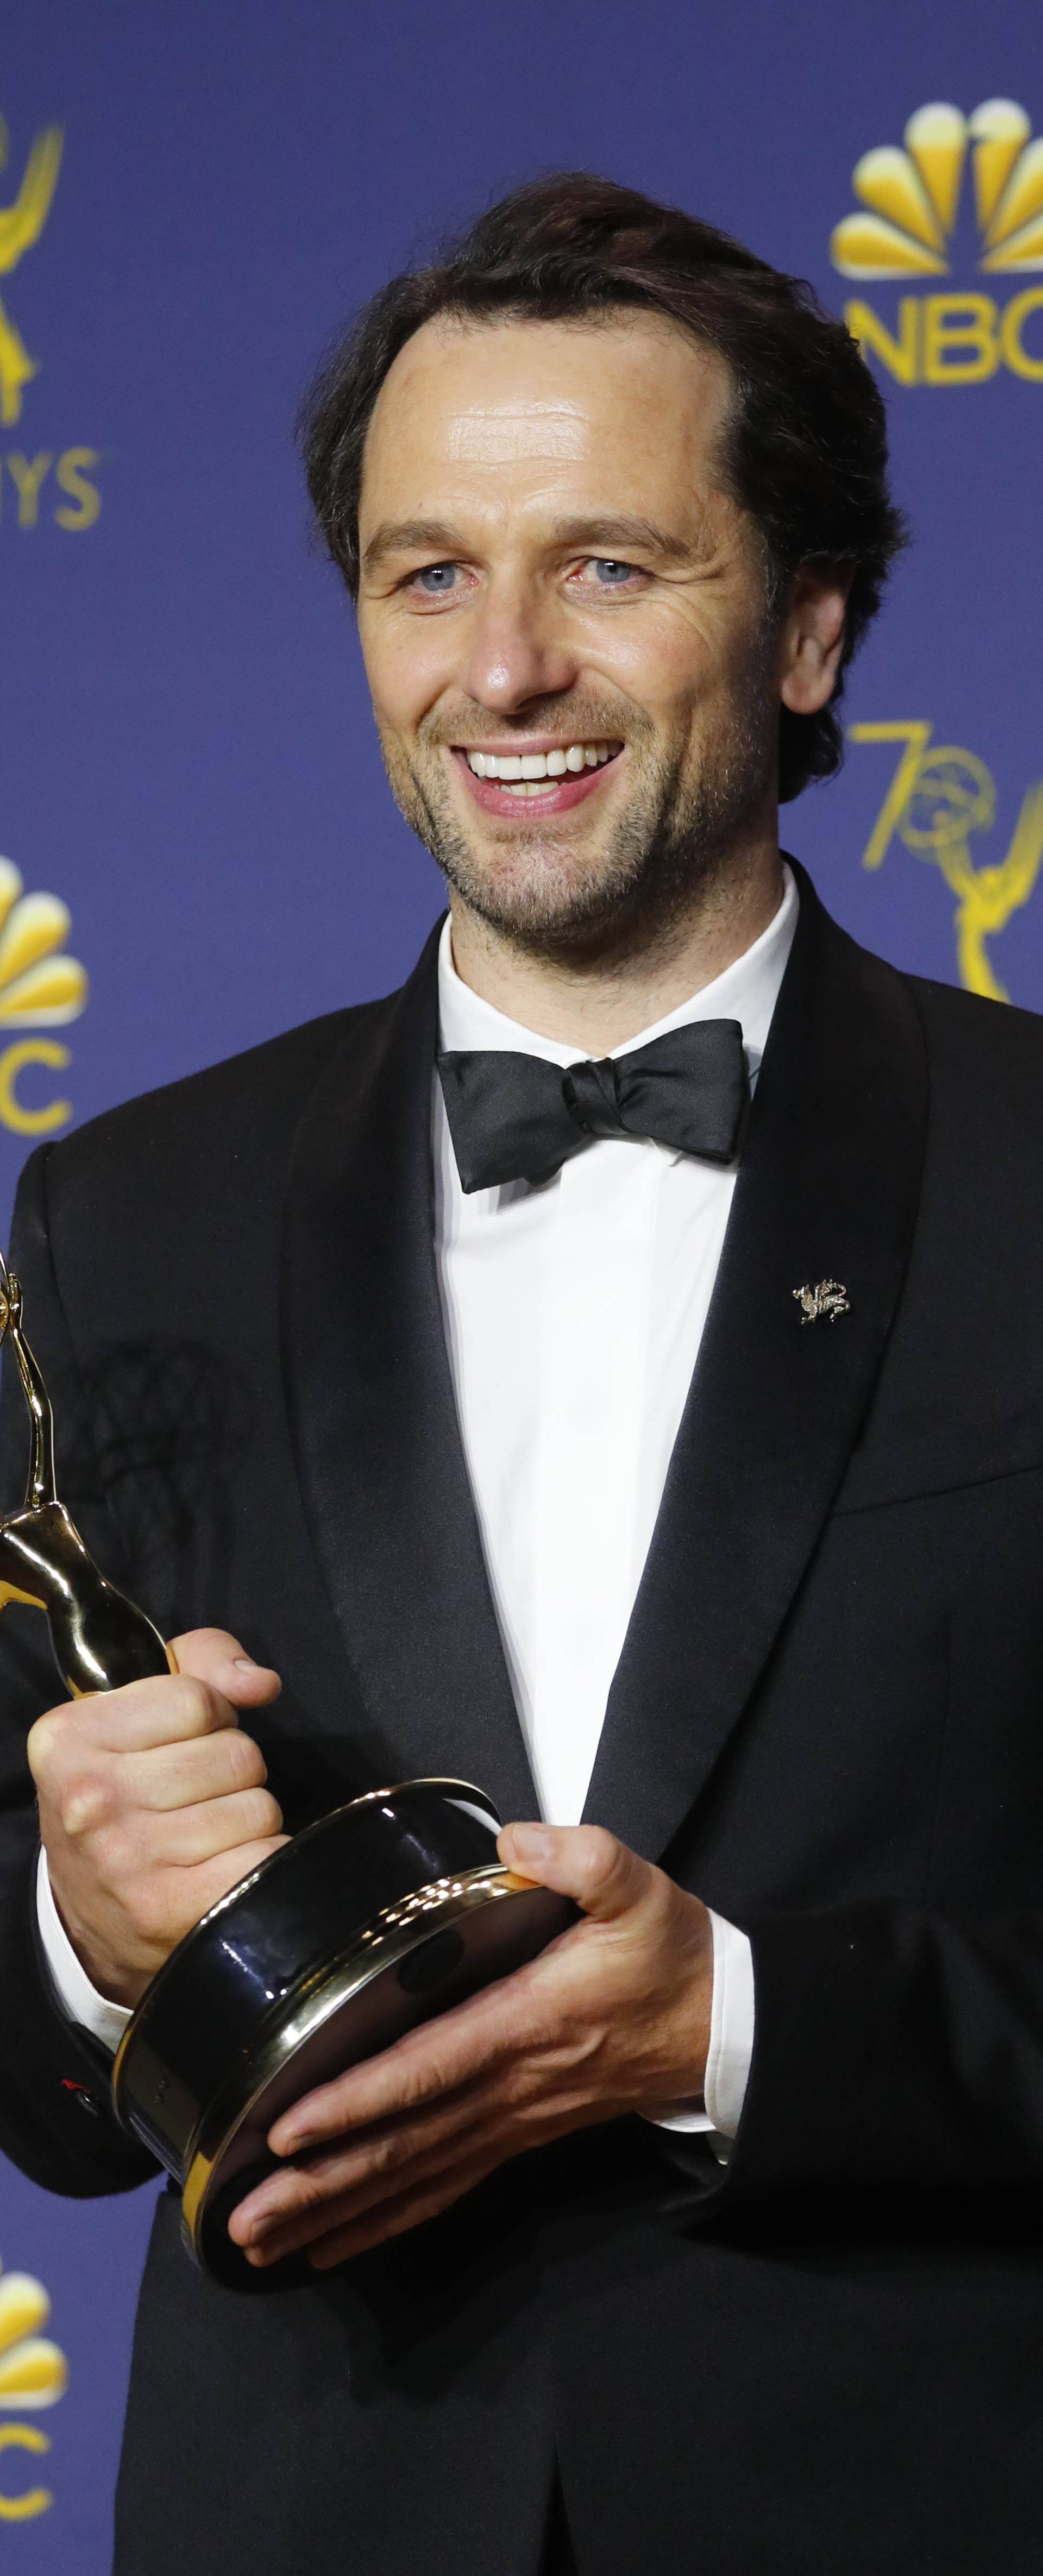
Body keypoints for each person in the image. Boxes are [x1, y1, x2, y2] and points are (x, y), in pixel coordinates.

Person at [0, 172, 1040, 2576]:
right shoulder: (122, 1210)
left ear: (807, 624)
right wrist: (88, 1923)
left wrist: (746, 2030)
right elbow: (47, 2082)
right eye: (427, 573)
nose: (505, 670)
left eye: (608, 565)